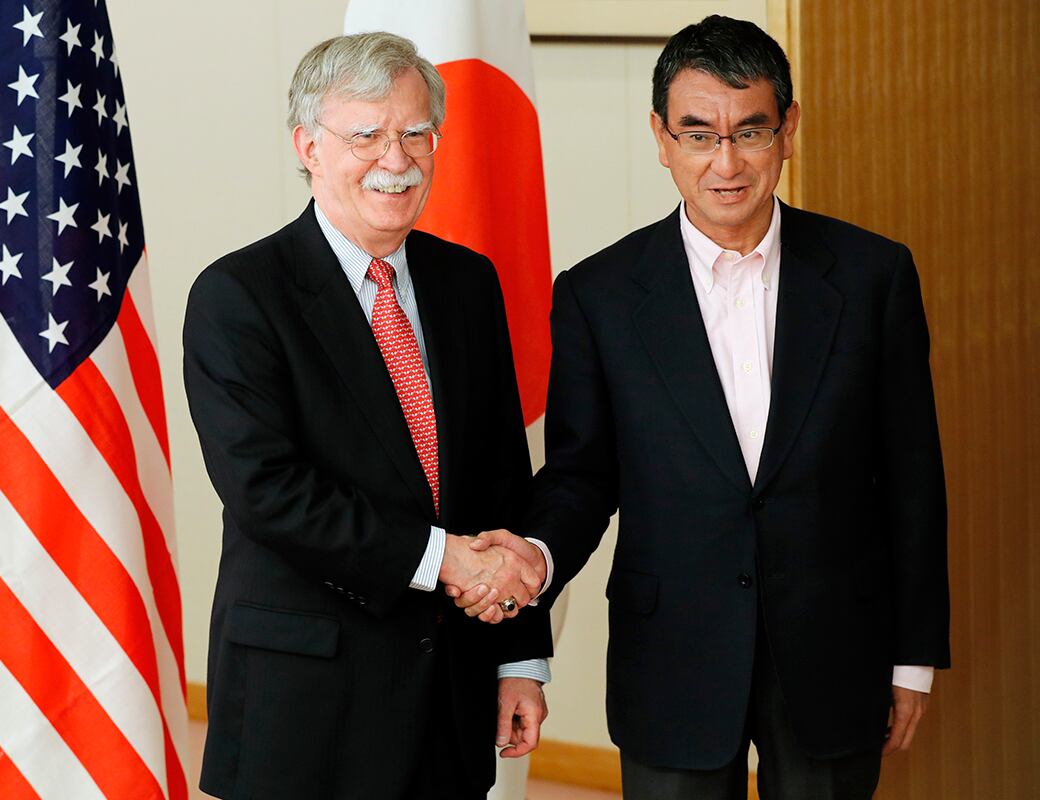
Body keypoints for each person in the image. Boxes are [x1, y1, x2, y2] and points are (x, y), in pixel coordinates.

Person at [456, 15, 950, 800]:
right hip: (672, 656)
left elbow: (912, 478)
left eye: (749, 131)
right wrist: (536, 559)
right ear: (660, 137)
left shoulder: (873, 276)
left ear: (788, 129)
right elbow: (583, 476)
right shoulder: (599, 296)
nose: (725, 163)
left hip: (833, 654)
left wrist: (912, 658)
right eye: (697, 135)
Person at [183, 32, 553, 800]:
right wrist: (444, 559)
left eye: (417, 133)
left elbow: (499, 483)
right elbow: (268, 491)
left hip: (447, 694)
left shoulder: (468, 284)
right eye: (367, 136)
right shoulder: (240, 296)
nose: (398, 158)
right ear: (308, 147)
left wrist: (518, 657)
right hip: (307, 702)